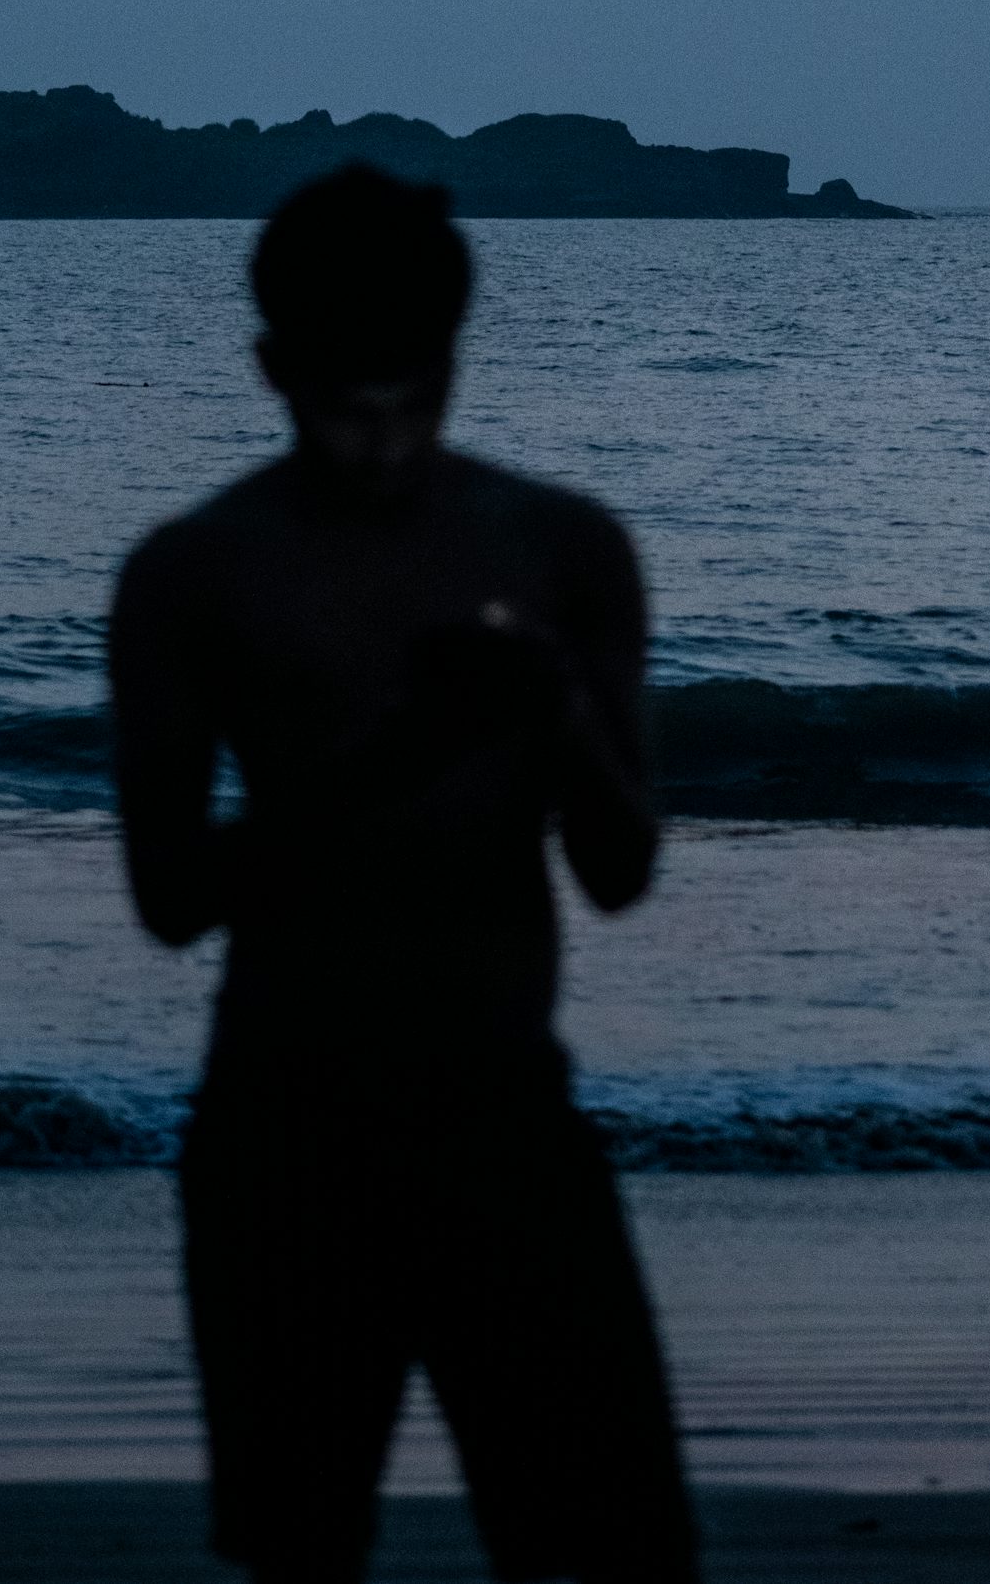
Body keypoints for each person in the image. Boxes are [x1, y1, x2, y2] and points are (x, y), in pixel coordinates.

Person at [109, 164, 697, 1584]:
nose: (379, 446)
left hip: (506, 1109)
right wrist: (404, 752)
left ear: (453, 366)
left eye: (409, 402)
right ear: (271, 371)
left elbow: (620, 871)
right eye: (341, 408)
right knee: (302, 1553)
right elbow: (173, 893)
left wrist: (556, 713)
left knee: (611, 1550)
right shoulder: (197, 572)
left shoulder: (562, 549)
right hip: (284, 1125)